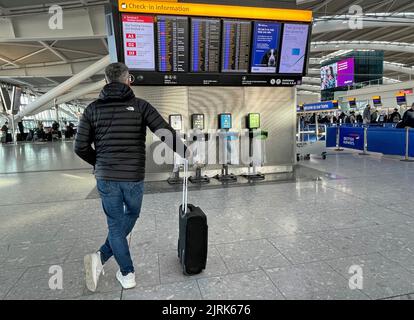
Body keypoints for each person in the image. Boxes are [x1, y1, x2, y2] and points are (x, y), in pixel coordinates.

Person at [74, 62, 187, 292]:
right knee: (131, 215)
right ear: (129, 80)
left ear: (106, 81)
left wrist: (99, 162)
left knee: (116, 225)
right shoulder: (140, 106)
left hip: (106, 177)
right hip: (133, 177)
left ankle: (102, 258)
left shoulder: (92, 109)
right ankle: (126, 272)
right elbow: (164, 131)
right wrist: (186, 152)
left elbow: (80, 147)